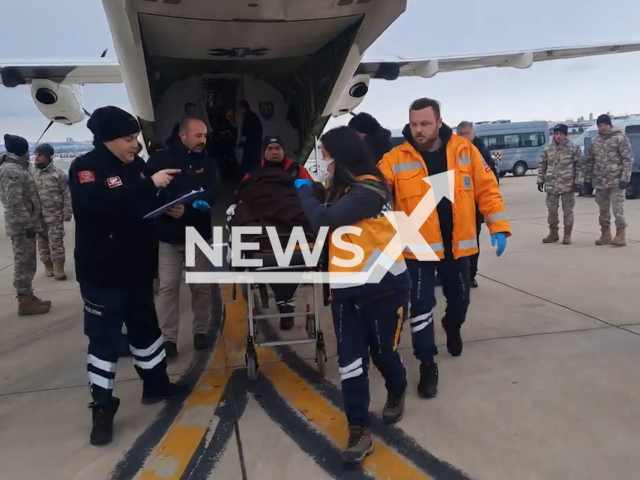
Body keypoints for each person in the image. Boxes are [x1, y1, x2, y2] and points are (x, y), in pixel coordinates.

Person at [68, 105, 189, 446]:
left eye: (136, 137)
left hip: (137, 268)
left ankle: (156, 384)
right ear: (106, 139)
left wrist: (169, 207)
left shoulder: (135, 167)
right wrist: (149, 183)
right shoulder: (85, 169)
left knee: (146, 331)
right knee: (104, 342)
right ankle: (103, 407)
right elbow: (101, 206)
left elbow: (141, 207)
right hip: (103, 272)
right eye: (127, 138)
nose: (135, 144)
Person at [379, 98, 511, 397]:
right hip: (418, 248)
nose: (419, 130)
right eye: (414, 124)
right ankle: (427, 363)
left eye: (425, 123)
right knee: (421, 308)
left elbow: (488, 190)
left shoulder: (465, 151)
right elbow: (376, 185)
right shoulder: (395, 157)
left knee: (460, 300)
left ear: (439, 122)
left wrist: (498, 226)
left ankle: (453, 325)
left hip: (457, 246)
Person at [294, 126, 411, 466]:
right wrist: (311, 187)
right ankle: (359, 429)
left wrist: (305, 194)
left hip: (384, 288)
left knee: (383, 352)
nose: (323, 161)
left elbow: (326, 222)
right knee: (350, 363)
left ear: (341, 155)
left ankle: (397, 387)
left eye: (326, 154)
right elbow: (326, 201)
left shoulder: (368, 190)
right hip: (346, 291)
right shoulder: (342, 187)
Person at [147, 117, 221, 357]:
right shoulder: (160, 160)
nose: (203, 140)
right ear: (182, 135)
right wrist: (167, 207)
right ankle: (168, 338)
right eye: (198, 136)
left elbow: (214, 190)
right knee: (168, 287)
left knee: (200, 286)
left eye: (204, 136)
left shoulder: (208, 162)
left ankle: (200, 331)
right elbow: (147, 192)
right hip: (168, 236)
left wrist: (202, 203)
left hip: (197, 235)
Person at [230, 135, 314, 330]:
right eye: (270, 148)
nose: (274, 152)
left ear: (283, 150)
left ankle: (285, 302)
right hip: (266, 230)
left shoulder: (297, 170)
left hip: (291, 226)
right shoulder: (253, 175)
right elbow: (240, 197)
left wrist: (307, 189)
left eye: (278, 148)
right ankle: (284, 302)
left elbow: (313, 192)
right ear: (264, 152)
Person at [0, 134, 52, 315]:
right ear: (21, 150)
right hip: (21, 226)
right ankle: (25, 302)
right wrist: (27, 225)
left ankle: (28, 296)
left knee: (28, 262)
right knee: (24, 264)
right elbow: (14, 201)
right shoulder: (12, 170)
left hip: (26, 224)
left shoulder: (16, 168)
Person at [456, 121, 499, 287]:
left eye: (467, 133)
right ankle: (456, 275)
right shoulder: (454, 151)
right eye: (461, 134)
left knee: (472, 242)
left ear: (473, 134)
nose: (464, 137)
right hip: (457, 205)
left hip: (474, 206)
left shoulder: (480, 151)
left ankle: (471, 275)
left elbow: (490, 179)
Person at [585, 114, 633, 247]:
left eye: (605, 125)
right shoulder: (595, 141)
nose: (603, 128)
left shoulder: (620, 138)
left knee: (618, 210)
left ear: (610, 125)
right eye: (600, 125)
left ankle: (620, 235)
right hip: (600, 182)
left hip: (616, 181)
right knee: (603, 210)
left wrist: (625, 178)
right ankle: (605, 234)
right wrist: (587, 180)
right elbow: (590, 161)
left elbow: (627, 159)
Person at [537, 124, 584, 245]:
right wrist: (540, 180)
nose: (558, 136)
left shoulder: (573, 148)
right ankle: (553, 233)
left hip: (568, 186)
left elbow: (580, 166)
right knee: (552, 211)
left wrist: (578, 182)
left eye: (561, 134)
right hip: (552, 186)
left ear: (565, 135)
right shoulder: (548, 149)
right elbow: (542, 165)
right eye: (556, 133)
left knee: (568, 211)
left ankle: (567, 235)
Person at [31, 143, 72, 280]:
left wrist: (67, 212)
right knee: (42, 244)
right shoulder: (31, 173)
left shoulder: (58, 174)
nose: (36, 157)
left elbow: (67, 194)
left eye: (40, 155)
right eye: (36, 154)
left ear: (48, 156)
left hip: (54, 216)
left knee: (56, 243)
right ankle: (48, 266)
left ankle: (58, 268)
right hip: (37, 216)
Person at [238, 100, 263, 174]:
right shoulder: (251, 116)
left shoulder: (250, 117)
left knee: (250, 165)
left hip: (251, 145)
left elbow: (248, 132)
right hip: (252, 145)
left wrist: (244, 142)